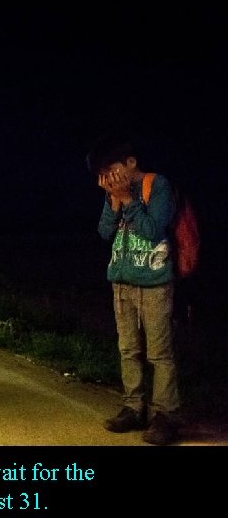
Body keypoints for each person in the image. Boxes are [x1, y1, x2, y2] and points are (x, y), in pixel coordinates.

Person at [87, 132, 182, 445]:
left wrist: (128, 199)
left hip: (154, 282)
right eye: (103, 175)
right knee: (128, 349)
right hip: (122, 281)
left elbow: (154, 231)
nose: (108, 178)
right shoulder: (115, 192)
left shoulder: (157, 185)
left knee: (159, 353)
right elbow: (103, 232)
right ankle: (133, 407)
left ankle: (165, 416)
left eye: (111, 169)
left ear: (131, 162)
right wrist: (114, 201)